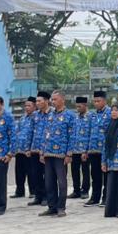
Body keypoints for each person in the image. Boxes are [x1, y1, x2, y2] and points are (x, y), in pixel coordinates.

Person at [37, 90, 72, 218]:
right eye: (52, 99)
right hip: (48, 153)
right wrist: (42, 151)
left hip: (61, 154)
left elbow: (72, 136)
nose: (52, 101)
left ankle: (61, 207)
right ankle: (52, 207)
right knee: (49, 182)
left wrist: (69, 153)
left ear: (62, 99)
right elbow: (44, 133)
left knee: (61, 182)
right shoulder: (50, 115)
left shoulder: (69, 115)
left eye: (55, 99)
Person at [85, 91, 109, 206]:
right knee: (95, 175)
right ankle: (95, 197)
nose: (96, 103)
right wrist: (86, 150)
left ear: (104, 101)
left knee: (106, 176)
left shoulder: (110, 113)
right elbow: (89, 132)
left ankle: (106, 198)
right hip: (93, 149)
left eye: (98, 101)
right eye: (94, 101)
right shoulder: (92, 115)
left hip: (105, 150)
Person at [26, 91, 49, 207]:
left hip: (46, 150)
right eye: (37, 101)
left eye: (40, 101)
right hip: (34, 148)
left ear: (46, 101)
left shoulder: (52, 114)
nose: (38, 103)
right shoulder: (35, 115)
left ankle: (46, 196)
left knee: (47, 175)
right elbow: (30, 131)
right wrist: (28, 147)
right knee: (36, 174)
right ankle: (38, 196)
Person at [13, 97, 36, 199]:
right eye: (25, 106)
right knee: (19, 172)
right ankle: (19, 191)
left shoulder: (36, 118)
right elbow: (17, 132)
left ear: (34, 106)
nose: (26, 108)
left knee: (31, 172)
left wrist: (30, 148)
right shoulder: (22, 118)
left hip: (30, 150)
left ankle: (33, 191)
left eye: (29, 105)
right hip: (20, 149)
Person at [69, 96, 91, 200]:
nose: (77, 108)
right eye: (76, 106)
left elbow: (91, 134)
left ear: (85, 105)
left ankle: (85, 190)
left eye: (79, 106)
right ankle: (76, 190)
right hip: (74, 149)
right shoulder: (75, 118)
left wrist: (86, 150)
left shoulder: (91, 117)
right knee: (74, 170)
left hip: (84, 150)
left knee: (85, 170)